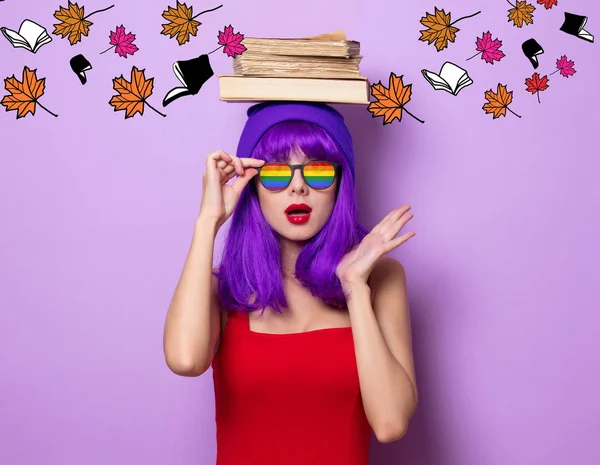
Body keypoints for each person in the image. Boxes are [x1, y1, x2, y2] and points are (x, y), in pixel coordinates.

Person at [163, 101, 418, 464]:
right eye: (277, 173)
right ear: (252, 185)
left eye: (316, 171)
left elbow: (390, 423)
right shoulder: (222, 287)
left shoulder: (381, 278)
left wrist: (355, 288)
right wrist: (208, 220)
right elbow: (185, 360)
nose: (298, 187)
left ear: (340, 182)